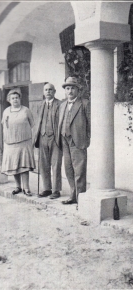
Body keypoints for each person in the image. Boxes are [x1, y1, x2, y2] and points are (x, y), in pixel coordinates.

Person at [58, 76, 91, 208]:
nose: (70, 91)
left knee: (79, 171)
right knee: (68, 169)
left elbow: (90, 123)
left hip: (78, 140)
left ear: (78, 90)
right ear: (65, 91)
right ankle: (72, 195)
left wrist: (87, 138)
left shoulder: (85, 103)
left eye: (72, 88)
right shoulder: (62, 105)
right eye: (67, 88)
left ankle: (80, 199)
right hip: (64, 139)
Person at [1, 87, 35, 196]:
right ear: (9, 100)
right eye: (13, 98)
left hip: (24, 142)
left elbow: (33, 125)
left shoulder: (26, 110)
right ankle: (18, 187)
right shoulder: (6, 111)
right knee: (14, 166)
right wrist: (4, 141)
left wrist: (33, 140)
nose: (15, 100)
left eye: (17, 98)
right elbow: (4, 127)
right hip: (10, 143)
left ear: (20, 99)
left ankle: (26, 188)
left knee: (24, 166)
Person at [34, 82, 62, 199]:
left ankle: (56, 190)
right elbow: (37, 122)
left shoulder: (60, 104)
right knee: (43, 164)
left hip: (55, 138)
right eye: (46, 90)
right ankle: (47, 188)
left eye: (50, 89)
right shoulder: (40, 105)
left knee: (56, 164)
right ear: (43, 92)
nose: (48, 92)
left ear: (54, 91)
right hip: (42, 137)